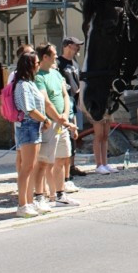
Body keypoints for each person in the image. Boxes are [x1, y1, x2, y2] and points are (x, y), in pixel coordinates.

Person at [33, 43, 80, 209]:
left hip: (61, 123)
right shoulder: (38, 76)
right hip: (49, 124)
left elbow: (65, 95)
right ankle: (39, 196)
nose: (56, 56)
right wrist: (60, 119)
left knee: (62, 158)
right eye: (53, 54)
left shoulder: (57, 74)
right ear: (45, 57)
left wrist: (65, 116)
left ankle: (60, 195)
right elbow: (46, 102)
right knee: (44, 161)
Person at [12, 51, 51, 217]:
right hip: (28, 126)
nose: (38, 65)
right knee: (26, 167)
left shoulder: (29, 83)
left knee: (30, 166)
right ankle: (22, 204)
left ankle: (28, 201)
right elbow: (29, 109)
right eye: (36, 63)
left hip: (33, 127)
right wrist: (45, 119)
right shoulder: (22, 85)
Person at [57, 35, 85, 185]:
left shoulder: (74, 63)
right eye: (75, 45)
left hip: (74, 101)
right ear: (67, 46)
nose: (78, 48)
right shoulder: (59, 63)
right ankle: (64, 168)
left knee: (74, 134)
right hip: (63, 103)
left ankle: (72, 166)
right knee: (65, 135)